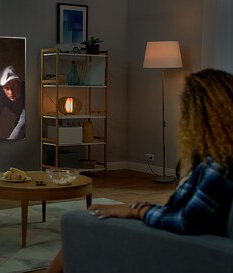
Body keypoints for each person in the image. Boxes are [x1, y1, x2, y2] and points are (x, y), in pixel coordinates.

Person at [46, 68, 233, 273]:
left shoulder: (218, 167)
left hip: (177, 247)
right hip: (177, 237)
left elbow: (185, 221)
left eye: (185, 107)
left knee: (83, 223)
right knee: (97, 212)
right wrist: (139, 207)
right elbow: (182, 210)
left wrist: (136, 211)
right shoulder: (212, 160)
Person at [0, 66, 25, 140]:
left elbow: (23, 121)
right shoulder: (2, 95)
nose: (11, 92)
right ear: (3, 89)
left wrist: (9, 144)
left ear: (20, 83)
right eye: (7, 88)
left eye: (14, 86)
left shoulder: (28, 91)